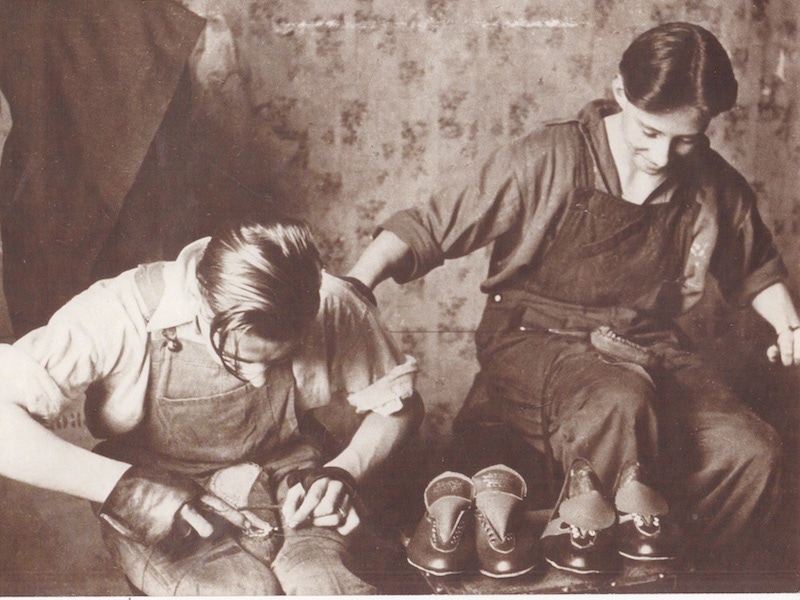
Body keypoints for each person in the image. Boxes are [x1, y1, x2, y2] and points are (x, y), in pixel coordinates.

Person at [348, 22, 798, 571]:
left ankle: (678, 576)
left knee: (753, 452)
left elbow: (755, 267)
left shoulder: (712, 183)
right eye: (649, 132)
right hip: (533, 336)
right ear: (619, 93)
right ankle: (594, 573)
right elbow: (427, 227)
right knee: (618, 402)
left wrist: (788, 324)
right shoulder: (551, 156)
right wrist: (353, 285)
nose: (663, 154)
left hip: (645, 341)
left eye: (686, 139)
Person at [0, 214, 423, 595]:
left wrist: (344, 472)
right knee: (243, 591)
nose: (259, 377)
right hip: (160, 495)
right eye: (243, 359)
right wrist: (121, 487)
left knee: (326, 588)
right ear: (203, 308)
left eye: (279, 359)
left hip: (288, 483)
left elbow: (399, 407)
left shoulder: (329, 301)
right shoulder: (121, 310)